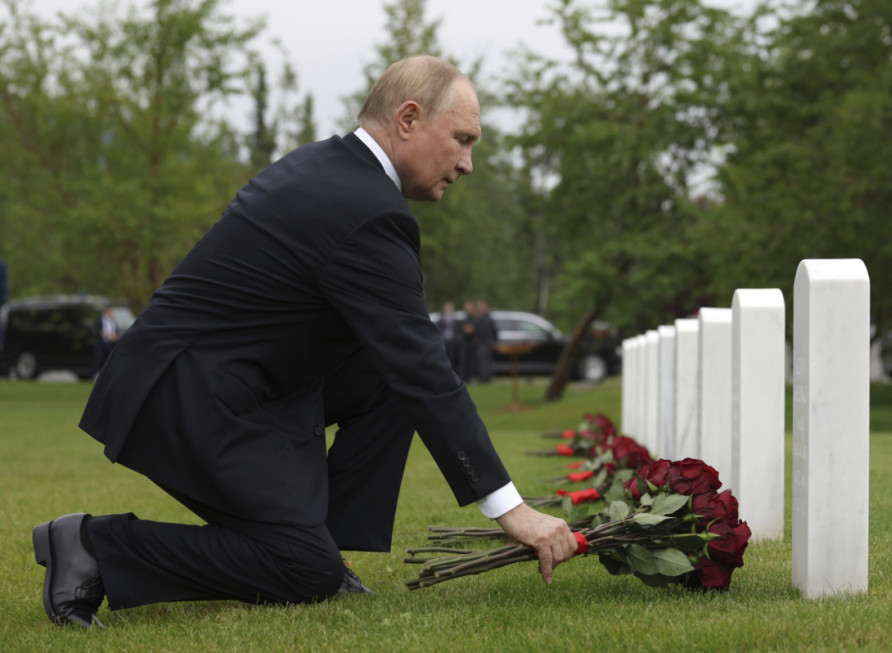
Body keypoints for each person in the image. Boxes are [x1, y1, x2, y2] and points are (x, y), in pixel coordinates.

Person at [32, 56, 576, 629]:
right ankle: (91, 547)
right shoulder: (365, 209)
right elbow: (424, 369)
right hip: (184, 396)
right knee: (299, 568)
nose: (467, 164)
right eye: (462, 140)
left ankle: (327, 551)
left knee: (387, 379)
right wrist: (511, 509)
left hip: (223, 379)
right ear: (408, 119)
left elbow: (403, 362)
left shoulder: (327, 167)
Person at [473, 300, 497, 383]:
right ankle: (485, 377)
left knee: (484, 361)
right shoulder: (485, 317)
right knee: (484, 360)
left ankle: (484, 377)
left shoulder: (485, 318)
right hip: (485, 342)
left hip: (484, 342)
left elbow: (484, 330)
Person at [437, 300, 460, 370]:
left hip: (453, 341)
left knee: (453, 357)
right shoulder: (441, 319)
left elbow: (458, 330)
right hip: (444, 341)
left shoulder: (455, 319)